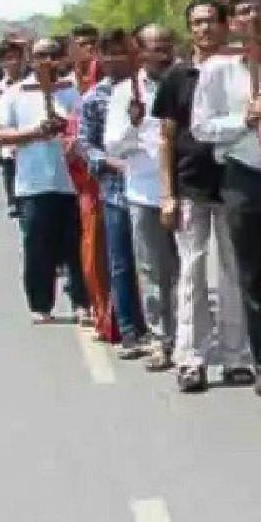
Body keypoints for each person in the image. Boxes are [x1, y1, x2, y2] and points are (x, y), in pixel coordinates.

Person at [192, 0, 261, 402]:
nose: (251, 19)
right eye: (242, 13)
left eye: (258, 11)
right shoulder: (217, 69)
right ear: (232, 23)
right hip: (243, 173)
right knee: (252, 272)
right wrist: (243, 121)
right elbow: (201, 126)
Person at [158, 0, 251, 393]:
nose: (205, 29)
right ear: (188, 29)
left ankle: (237, 356)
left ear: (226, 26)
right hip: (190, 185)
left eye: (211, 21)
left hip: (232, 183)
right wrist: (167, 194)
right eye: (196, 23)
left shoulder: (238, 73)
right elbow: (164, 138)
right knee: (193, 271)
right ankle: (191, 357)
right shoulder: (178, 77)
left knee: (233, 272)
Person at [0, 39, 88, 322]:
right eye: (40, 56)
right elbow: (2, 135)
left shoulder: (72, 92)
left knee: (75, 247)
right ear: (30, 60)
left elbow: (86, 129)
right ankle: (41, 304)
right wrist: (35, 133)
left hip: (71, 182)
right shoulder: (14, 94)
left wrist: (68, 132)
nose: (46, 60)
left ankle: (82, 302)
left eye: (52, 55)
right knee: (38, 247)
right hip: (33, 184)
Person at [107, 24, 182, 370]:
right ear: (140, 52)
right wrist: (133, 126)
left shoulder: (188, 79)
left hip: (186, 190)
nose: (162, 53)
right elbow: (113, 147)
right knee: (153, 271)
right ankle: (159, 339)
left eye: (166, 44)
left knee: (188, 270)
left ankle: (187, 339)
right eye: (153, 47)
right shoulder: (126, 92)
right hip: (144, 192)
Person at [78, 30, 150, 355]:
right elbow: (85, 143)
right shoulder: (95, 98)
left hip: (152, 189)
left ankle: (159, 327)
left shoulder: (152, 90)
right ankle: (128, 329)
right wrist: (109, 163)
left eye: (121, 53)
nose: (114, 60)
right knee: (121, 262)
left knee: (154, 264)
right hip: (116, 192)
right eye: (107, 54)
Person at [65, 24, 115, 342]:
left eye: (93, 46)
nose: (88, 53)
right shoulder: (74, 93)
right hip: (90, 186)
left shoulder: (113, 86)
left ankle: (124, 317)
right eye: (81, 46)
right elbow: (73, 144)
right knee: (95, 254)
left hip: (121, 182)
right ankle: (103, 315)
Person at [0, 41, 28, 218]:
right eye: (9, 59)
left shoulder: (32, 85)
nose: (14, 62)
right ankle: (13, 202)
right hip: (9, 146)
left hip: (30, 145)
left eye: (17, 58)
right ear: (2, 62)